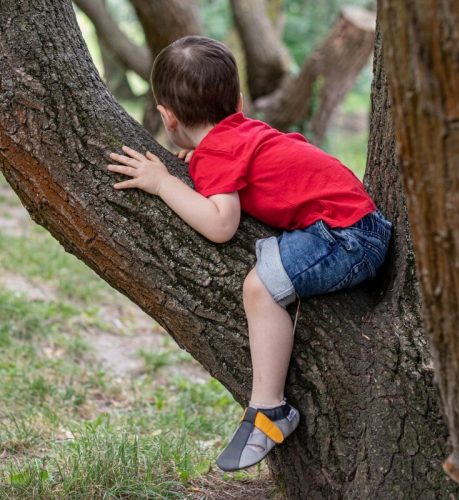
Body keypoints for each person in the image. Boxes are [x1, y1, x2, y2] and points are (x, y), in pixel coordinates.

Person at [107, 35, 392, 472]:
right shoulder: (236, 136)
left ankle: (269, 409)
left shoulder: (216, 154)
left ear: (167, 117)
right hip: (359, 227)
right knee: (267, 276)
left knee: (260, 289)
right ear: (237, 101)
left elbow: (222, 226)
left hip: (345, 238)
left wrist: (164, 182)